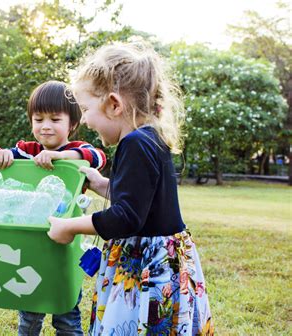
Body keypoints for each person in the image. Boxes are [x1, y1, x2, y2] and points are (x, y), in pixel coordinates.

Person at [47, 43, 213, 335]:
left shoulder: (134, 144)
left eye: (86, 109)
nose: (83, 119)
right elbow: (141, 200)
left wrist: (69, 226)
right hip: (166, 259)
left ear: (114, 104)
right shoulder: (150, 137)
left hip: (148, 266)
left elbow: (126, 217)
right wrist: (101, 184)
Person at [0, 80, 107, 335]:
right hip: (30, 242)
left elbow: (96, 156)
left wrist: (59, 156)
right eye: (38, 119)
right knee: (29, 310)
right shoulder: (28, 151)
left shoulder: (76, 150)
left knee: (67, 313)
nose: (45, 126)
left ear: (72, 124)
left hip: (66, 244)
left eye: (54, 119)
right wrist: (0, 155)